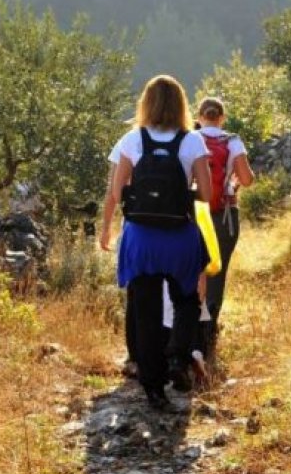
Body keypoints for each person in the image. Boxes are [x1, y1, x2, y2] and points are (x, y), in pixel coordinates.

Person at [100, 75, 213, 412]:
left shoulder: (133, 139)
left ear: (146, 103)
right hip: (180, 236)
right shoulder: (193, 141)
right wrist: (182, 194)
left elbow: (118, 191)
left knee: (146, 310)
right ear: (181, 104)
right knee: (186, 301)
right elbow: (208, 194)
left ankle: (153, 387)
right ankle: (178, 357)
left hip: (141, 237)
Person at [195, 97, 255, 359]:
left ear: (199, 116)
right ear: (222, 117)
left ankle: (186, 332)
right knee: (216, 274)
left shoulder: (190, 138)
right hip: (224, 215)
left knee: (191, 271)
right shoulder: (233, 141)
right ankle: (207, 338)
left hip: (193, 214)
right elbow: (247, 179)